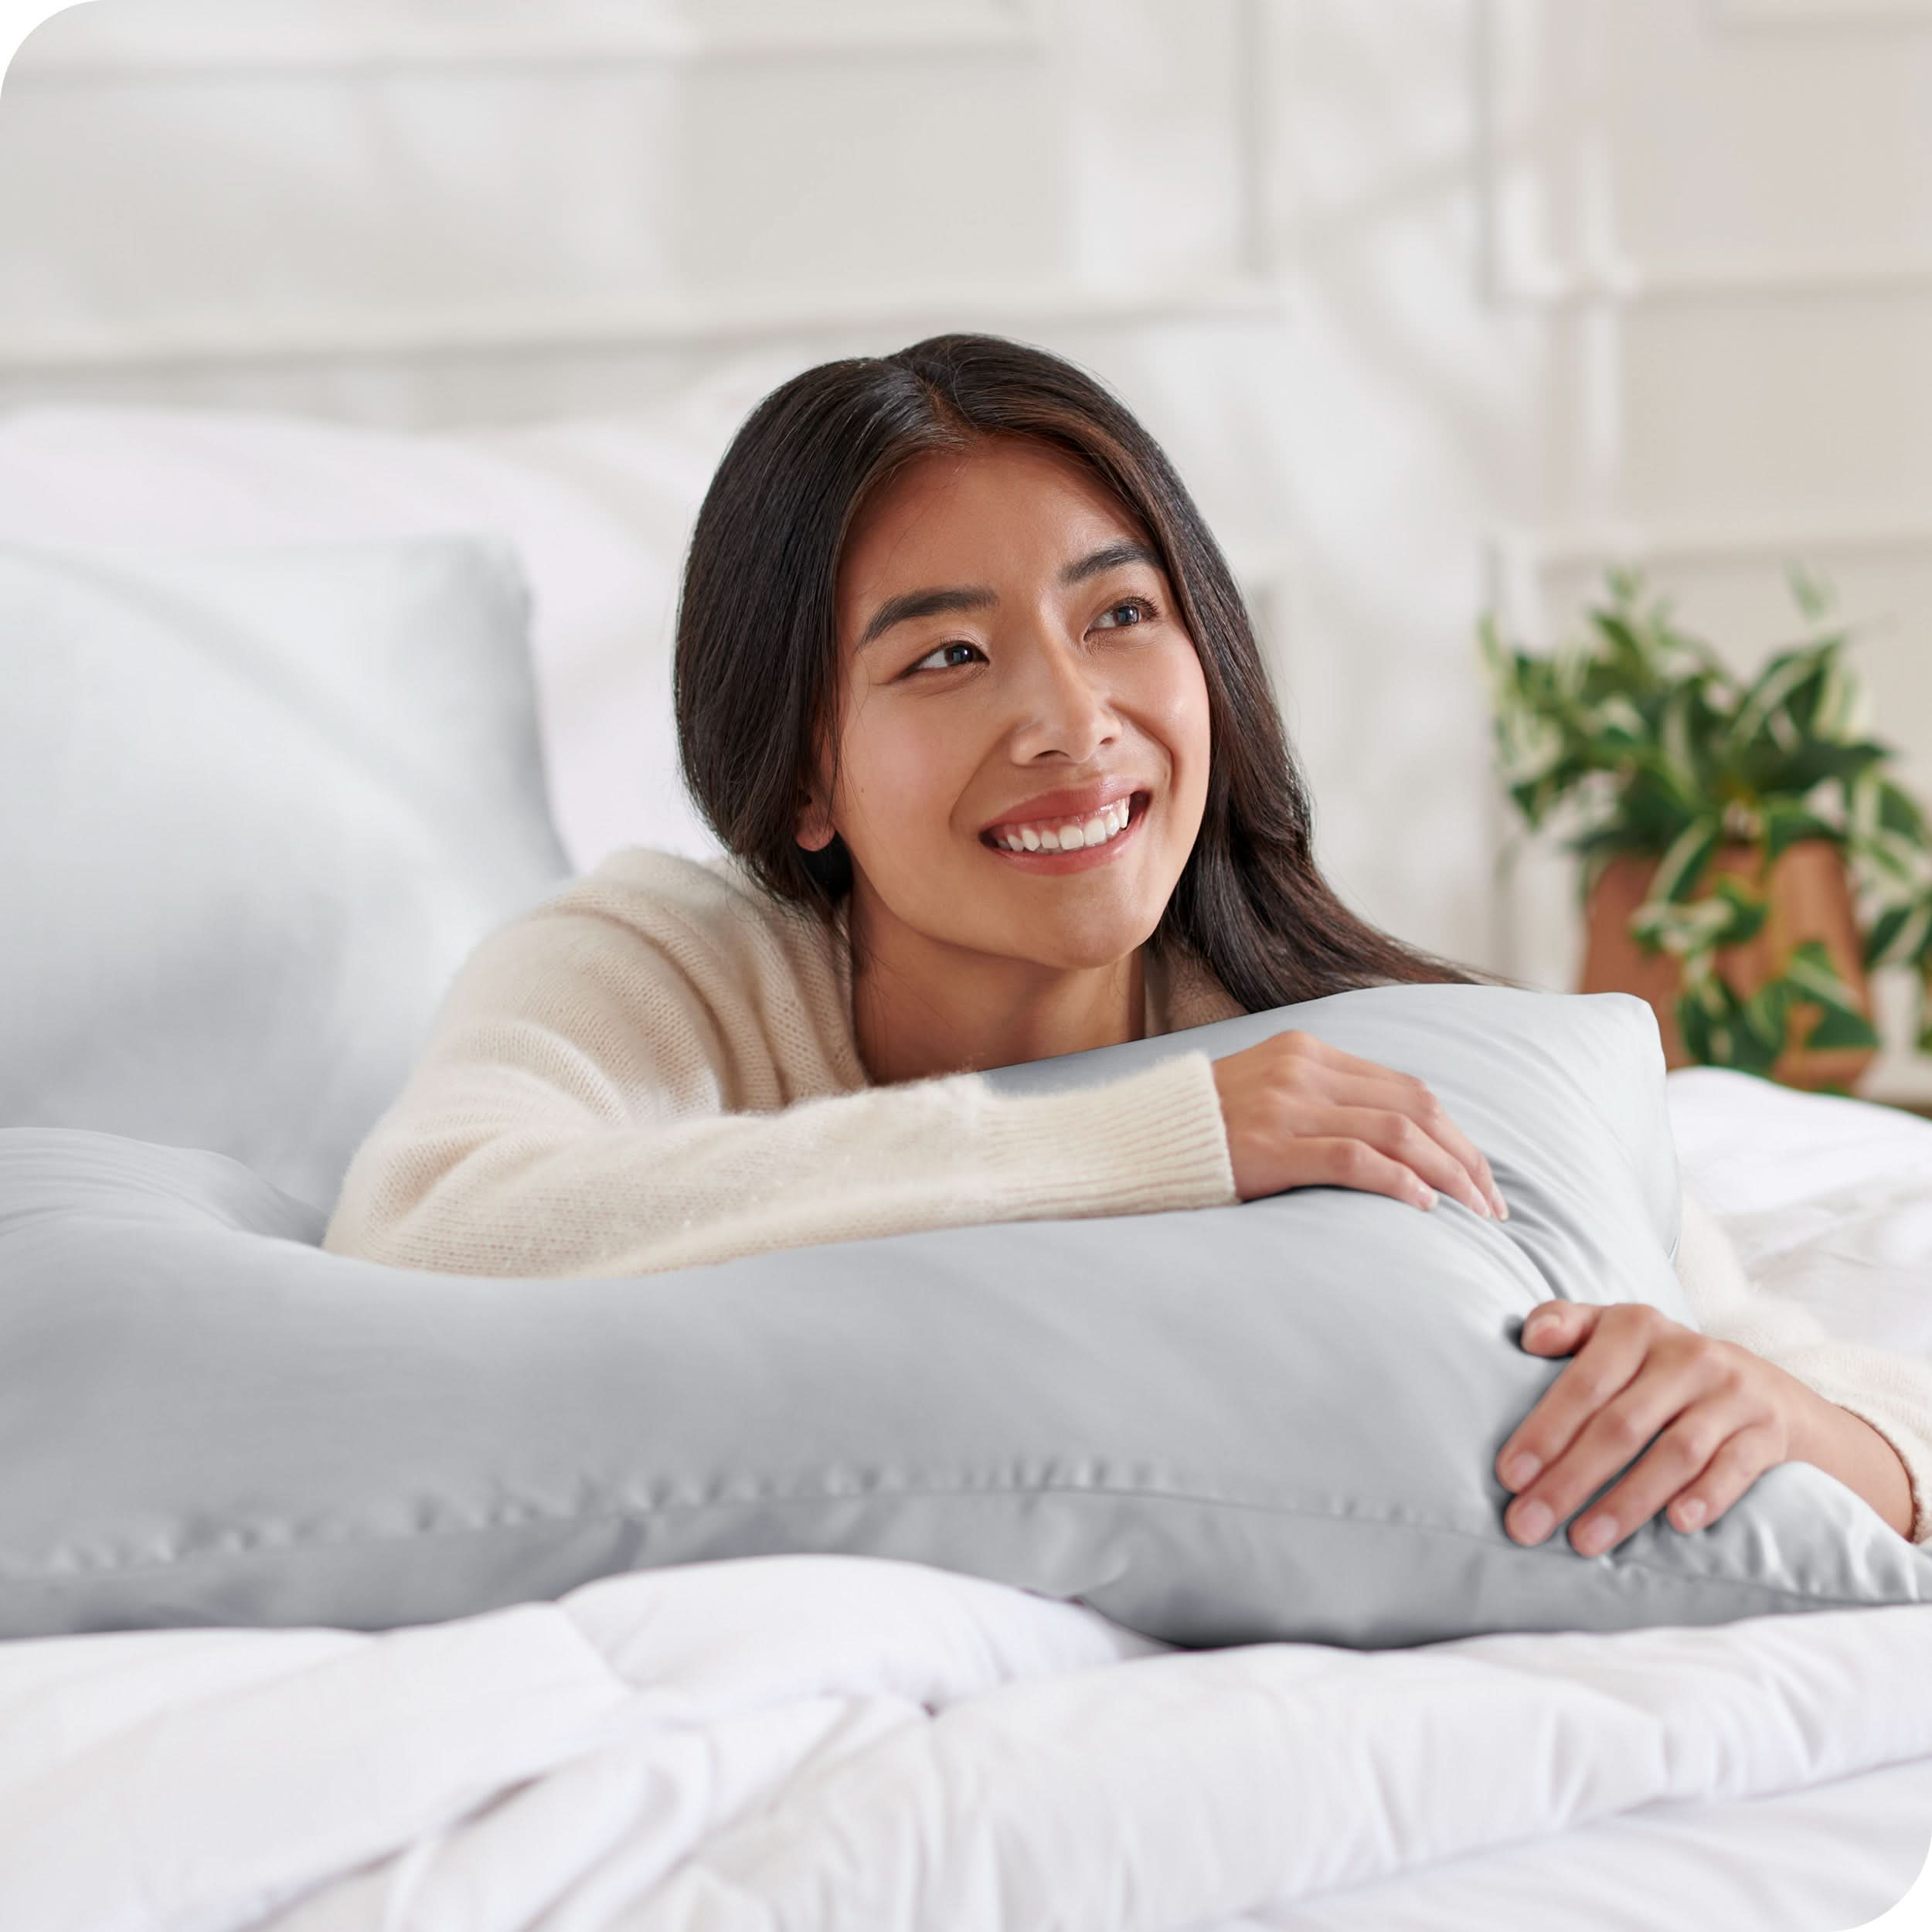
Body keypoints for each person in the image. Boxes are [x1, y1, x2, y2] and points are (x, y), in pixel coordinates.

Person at [323, 332, 1929, 1553]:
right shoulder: (663, 960)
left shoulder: (1353, 1043)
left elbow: (1864, 1416)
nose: (1069, 721)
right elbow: (424, 1225)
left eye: (1118, 615)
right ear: (804, 769)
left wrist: (1773, 1414)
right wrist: (1151, 1143)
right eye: (946, 654)